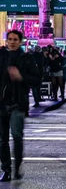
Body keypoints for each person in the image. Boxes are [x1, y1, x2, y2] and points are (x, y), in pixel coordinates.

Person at [0, 30, 39, 181]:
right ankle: (6, 169)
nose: (12, 42)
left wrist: (21, 76)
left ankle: (17, 167)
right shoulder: (2, 56)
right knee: (2, 139)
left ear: (21, 41)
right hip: (2, 103)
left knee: (16, 136)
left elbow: (36, 78)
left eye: (15, 39)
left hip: (18, 102)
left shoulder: (26, 58)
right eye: (10, 39)